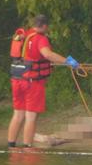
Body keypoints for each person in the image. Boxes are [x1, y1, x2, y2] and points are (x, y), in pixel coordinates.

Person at [7, 14, 78, 148]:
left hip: (17, 80)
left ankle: (11, 147)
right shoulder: (41, 38)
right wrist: (67, 61)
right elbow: (47, 54)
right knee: (31, 117)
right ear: (45, 26)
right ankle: (28, 147)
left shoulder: (26, 35)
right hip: (32, 82)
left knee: (17, 114)